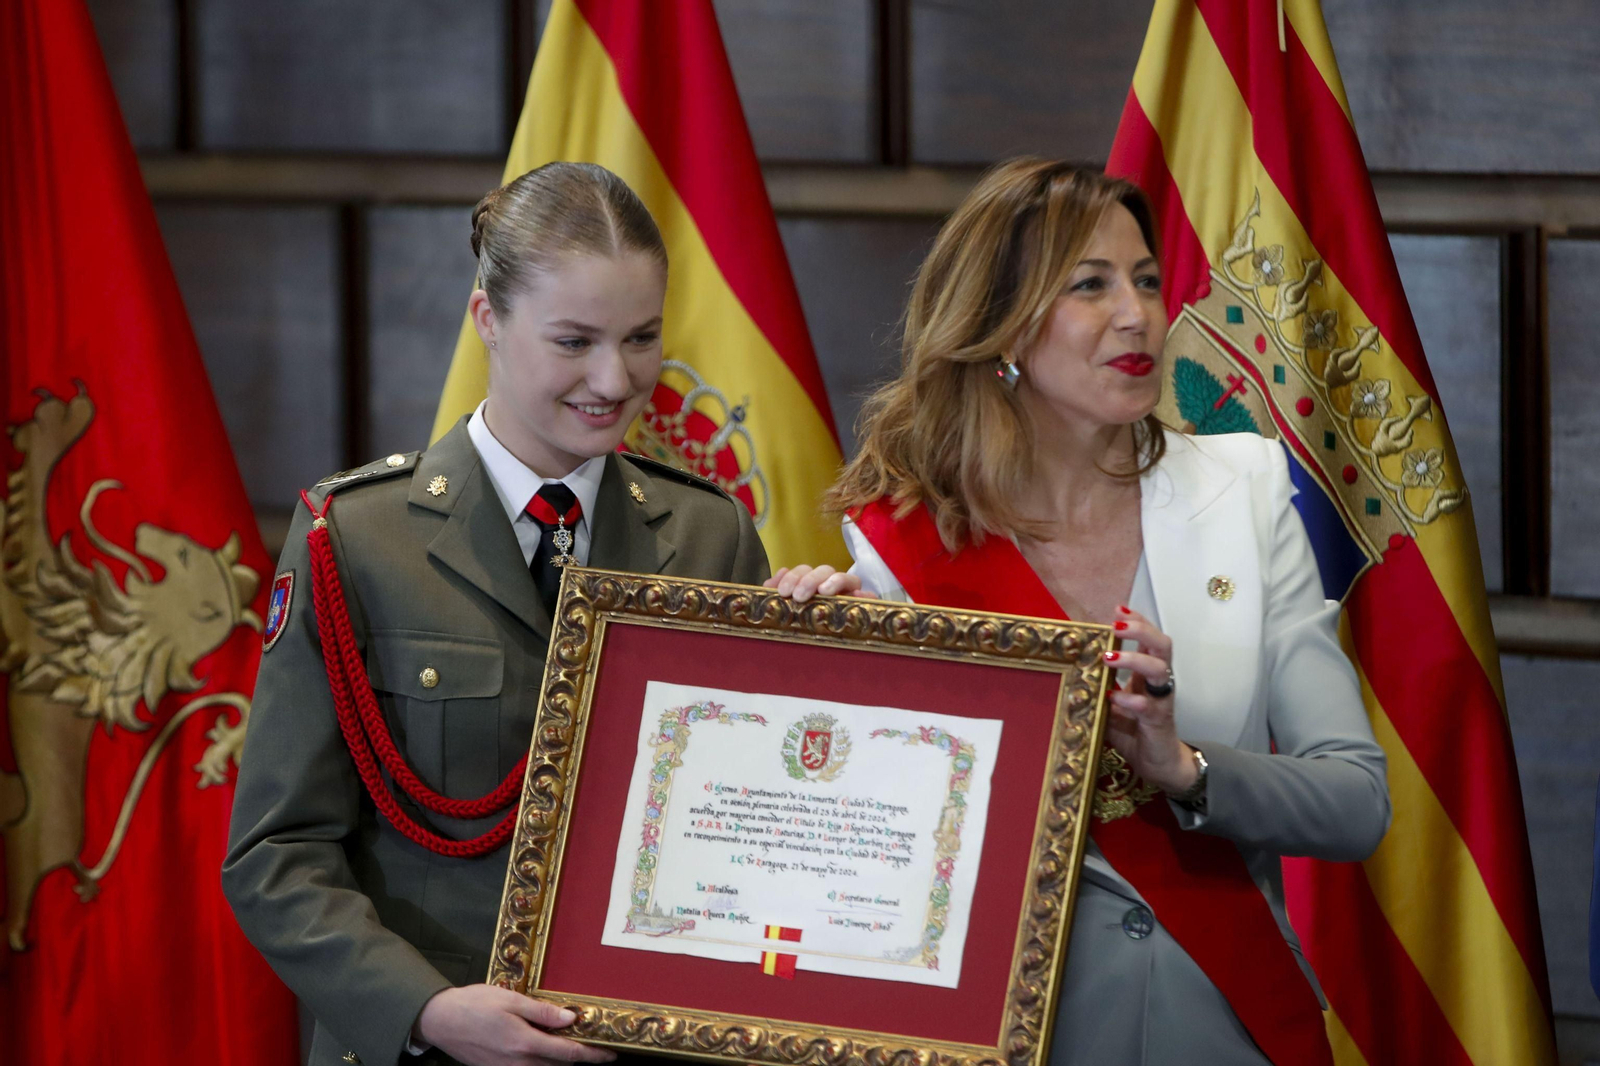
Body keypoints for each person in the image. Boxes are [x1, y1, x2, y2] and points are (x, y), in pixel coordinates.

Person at [772, 160, 1391, 1065]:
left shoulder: (1246, 495)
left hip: (1222, 1021)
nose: (1138, 313)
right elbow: (868, 849)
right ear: (1005, 325)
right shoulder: (902, 548)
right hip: (1008, 1034)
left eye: (1144, 279)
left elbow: (1356, 803)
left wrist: (1185, 769)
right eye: (1090, 286)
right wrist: (812, 668)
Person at [224, 162, 768, 1066]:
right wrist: (427, 1011)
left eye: (641, 338)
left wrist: (834, 657)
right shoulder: (355, 538)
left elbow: (748, 818)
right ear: (487, 320)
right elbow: (275, 855)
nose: (615, 377)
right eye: (573, 340)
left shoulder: (712, 538)